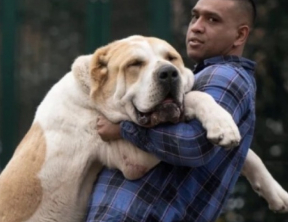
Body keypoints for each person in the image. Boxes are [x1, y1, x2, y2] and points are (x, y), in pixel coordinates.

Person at [86, 0, 257, 221]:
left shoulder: (223, 75)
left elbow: (194, 143)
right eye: (195, 16)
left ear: (240, 35)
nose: (196, 27)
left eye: (213, 19)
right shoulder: (201, 76)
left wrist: (122, 130)